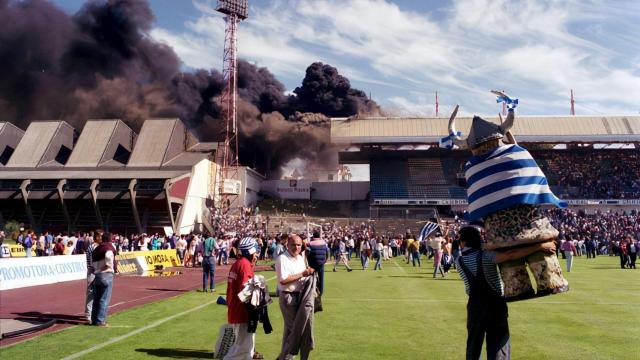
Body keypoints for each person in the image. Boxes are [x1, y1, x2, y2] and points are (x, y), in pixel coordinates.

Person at [457, 225, 557, 360]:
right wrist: (539, 247)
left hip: (474, 306)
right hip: (495, 305)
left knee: (473, 346)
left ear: (464, 242)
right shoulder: (486, 256)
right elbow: (511, 255)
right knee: (499, 345)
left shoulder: (459, 261)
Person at [275, 234, 315, 360]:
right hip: (288, 297)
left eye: (298, 245)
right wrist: (303, 274)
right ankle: (286, 356)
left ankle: (286, 356)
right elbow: (283, 280)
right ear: (287, 245)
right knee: (296, 330)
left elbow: (302, 276)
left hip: (300, 296)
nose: (296, 247)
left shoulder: (300, 257)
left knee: (290, 331)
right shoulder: (282, 259)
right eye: (293, 244)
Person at [224, 237, 263, 360]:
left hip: (235, 309)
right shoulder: (245, 265)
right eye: (255, 251)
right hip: (242, 311)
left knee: (245, 348)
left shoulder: (238, 263)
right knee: (242, 348)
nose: (257, 254)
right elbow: (246, 290)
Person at [91, 232, 117, 326]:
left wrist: (97, 270)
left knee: (96, 299)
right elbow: (108, 258)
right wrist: (106, 266)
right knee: (104, 299)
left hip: (97, 275)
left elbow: (92, 263)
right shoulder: (109, 248)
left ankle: (94, 319)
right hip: (106, 274)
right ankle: (100, 320)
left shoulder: (96, 249)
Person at [307, 231, 329, 295]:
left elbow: (307, 252)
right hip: (321, 263)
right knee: (321, 278)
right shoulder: (323, 243)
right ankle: (321, 292)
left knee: (311, 277)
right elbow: (327, 252)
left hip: (312, 263)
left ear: (313, 236)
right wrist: (325, 260)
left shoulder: (310, 243)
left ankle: (311, 291)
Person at [85, 232, 99, 323]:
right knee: (91, 294)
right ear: (97, 237)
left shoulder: (99, 246)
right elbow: (92, 262)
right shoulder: (92, 247)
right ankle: (88, 316)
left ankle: (94, 314)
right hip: (93, 272)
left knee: (98, 294)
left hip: (98, 272)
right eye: (101, 236)